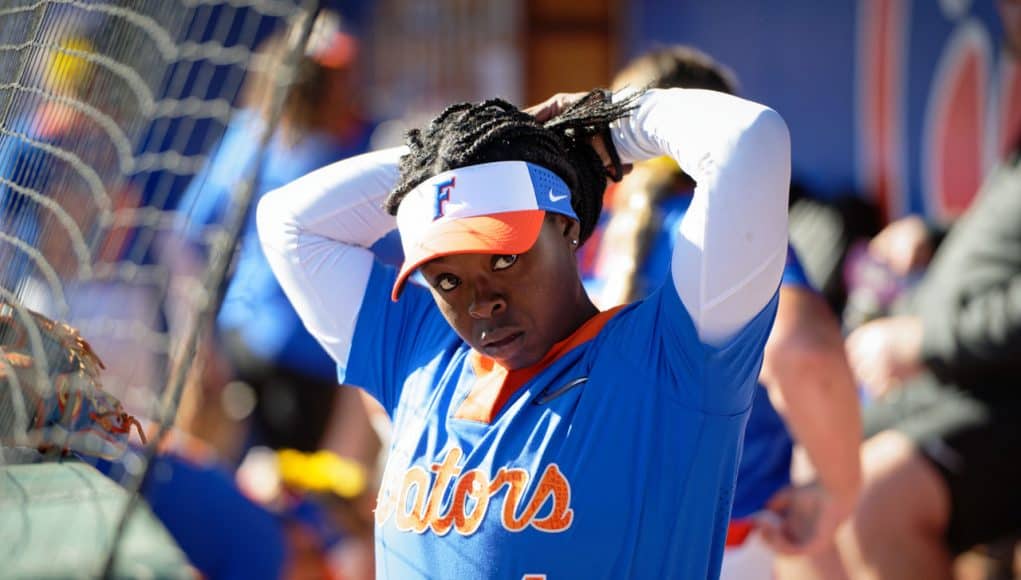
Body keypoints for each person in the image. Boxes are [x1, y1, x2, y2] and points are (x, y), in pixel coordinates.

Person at [259, 82, 790, 577]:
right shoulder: (421, 352)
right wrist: (460, 158)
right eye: (447, 279)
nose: (481, 302)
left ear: (566, 226)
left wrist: (606, 129)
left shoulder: (672, 363)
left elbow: (749, 142)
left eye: (505, 258)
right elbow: (287, 223)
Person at [591, 46, 861, 579]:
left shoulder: (590, 242)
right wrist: (839, 488)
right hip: (723, 550)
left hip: (587, 538)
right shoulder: (734, 232)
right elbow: (802, 351)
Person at [172, 11, 379, 465]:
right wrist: (197, 338)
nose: (344, 85)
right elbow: (185, 236)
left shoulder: (261, 134)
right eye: (331, 76)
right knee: (271, 495)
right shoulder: (264, 138)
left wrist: (199, 337)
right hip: (276, 352)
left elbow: (184, 235)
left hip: (282, 351)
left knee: (257, 488)